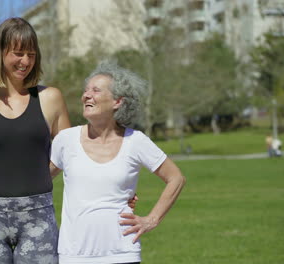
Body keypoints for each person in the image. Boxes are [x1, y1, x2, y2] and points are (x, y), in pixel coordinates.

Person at [0, 17, 71, 264]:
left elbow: (72, 157)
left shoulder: (51, 99)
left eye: (31, 54)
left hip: (39, 217)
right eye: (18, 53)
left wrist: (117, 192)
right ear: (0, 53)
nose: (26, 61)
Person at [50, 61, 186, 264]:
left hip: (122, 253)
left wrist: (151, 219)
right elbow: (38, 183)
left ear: (117, 102)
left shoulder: (136, 141)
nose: (86, 95)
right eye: (86, 91)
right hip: (74, 255)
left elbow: (176, 178)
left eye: (95, 90)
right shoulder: (66, 139)